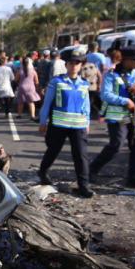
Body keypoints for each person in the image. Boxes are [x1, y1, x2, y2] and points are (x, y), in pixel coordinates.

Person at [90, 46, 135, 188]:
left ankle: (134, 178)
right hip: (117, 117)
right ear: (126, 60)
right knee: (116, 145)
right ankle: (91, 170)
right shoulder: (111, 74)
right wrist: (125, 101)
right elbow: (105, 94)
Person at [38, 47, 93, 198]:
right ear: (66, 65)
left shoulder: (84, 84)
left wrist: (87, 121)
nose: (74, 65)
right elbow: (47, 103)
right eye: (71, 63)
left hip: (78, 125)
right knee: (53, 150)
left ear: (81, 65)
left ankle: (84, 186)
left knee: (81, 156)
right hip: (59, 125)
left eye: (77, 63)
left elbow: (86, 105)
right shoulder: (57, 81)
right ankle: (43, 171)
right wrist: (43, 121)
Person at [15, 56, 40, 120]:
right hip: (31, 87)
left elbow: (16, 79)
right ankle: (32, 115)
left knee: (20, 102)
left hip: (22, 87)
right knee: (31, 102)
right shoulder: (33, 71)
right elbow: (36, 81)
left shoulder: (20, 70)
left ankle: (19, 115)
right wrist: (37, 88)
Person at [80, 54, 102, 120]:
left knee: (89, 103)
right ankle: (98, 114)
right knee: (96, 102)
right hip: (95, 87)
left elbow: (82, 78)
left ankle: (90, 115)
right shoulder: (94, 65)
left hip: (87, 88)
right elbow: (100, 76)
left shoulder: (83, 68)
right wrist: (99, 85)